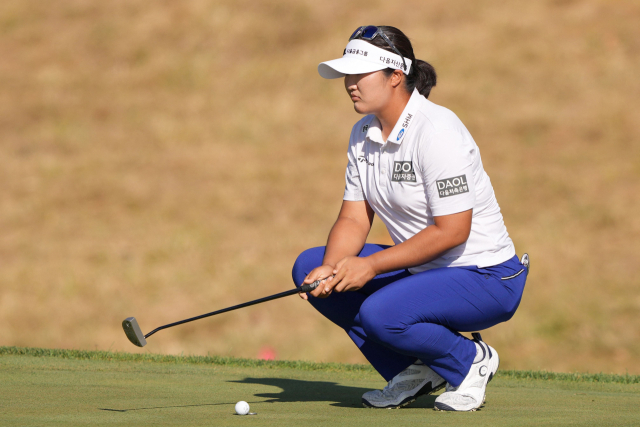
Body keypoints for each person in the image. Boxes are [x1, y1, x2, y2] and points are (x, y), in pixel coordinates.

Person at [291, 26, 529, 412]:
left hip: (486, 276)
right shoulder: (362, 132)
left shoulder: (437, 130)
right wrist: (332, 268)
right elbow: (354, 217)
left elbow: (453, 231)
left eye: (359, 74)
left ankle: (469, 361)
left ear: (395, 76)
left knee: (381, 313)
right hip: (425, 271)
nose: (349, 84)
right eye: (347, 75)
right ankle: (417, 369)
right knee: (311, 266)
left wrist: (369, 265)